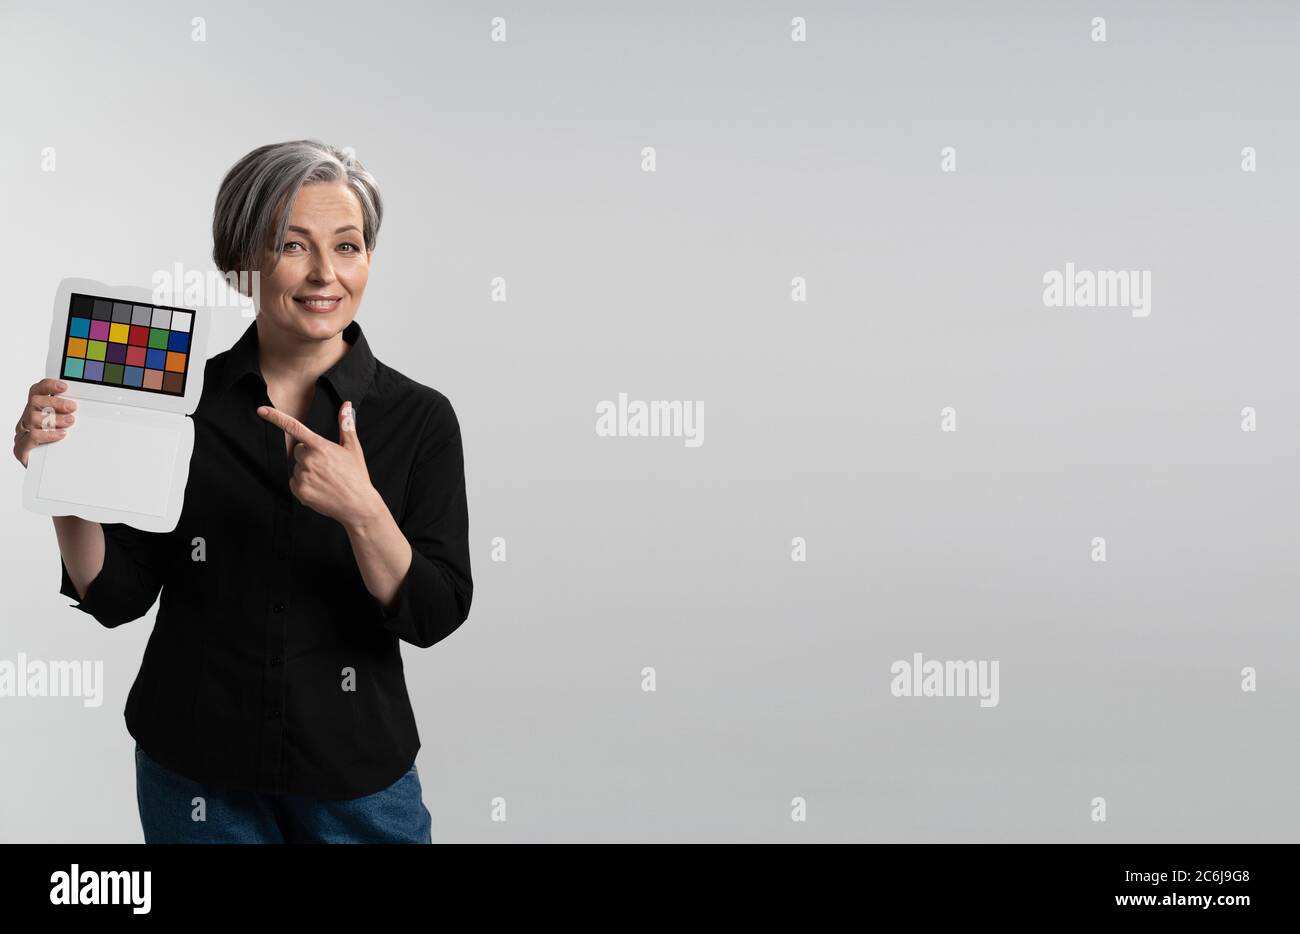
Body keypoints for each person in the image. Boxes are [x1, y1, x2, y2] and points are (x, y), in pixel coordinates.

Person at [13, 140, 473, 843]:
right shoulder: (179, 402)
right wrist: (62, 475)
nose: (325, 273)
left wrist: (363, 509)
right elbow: (117, 597)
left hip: (357, 784)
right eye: (293, 246)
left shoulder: (420, 417)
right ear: (241, 263)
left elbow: (435, 615)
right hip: (196, 777)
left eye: (348, 247)